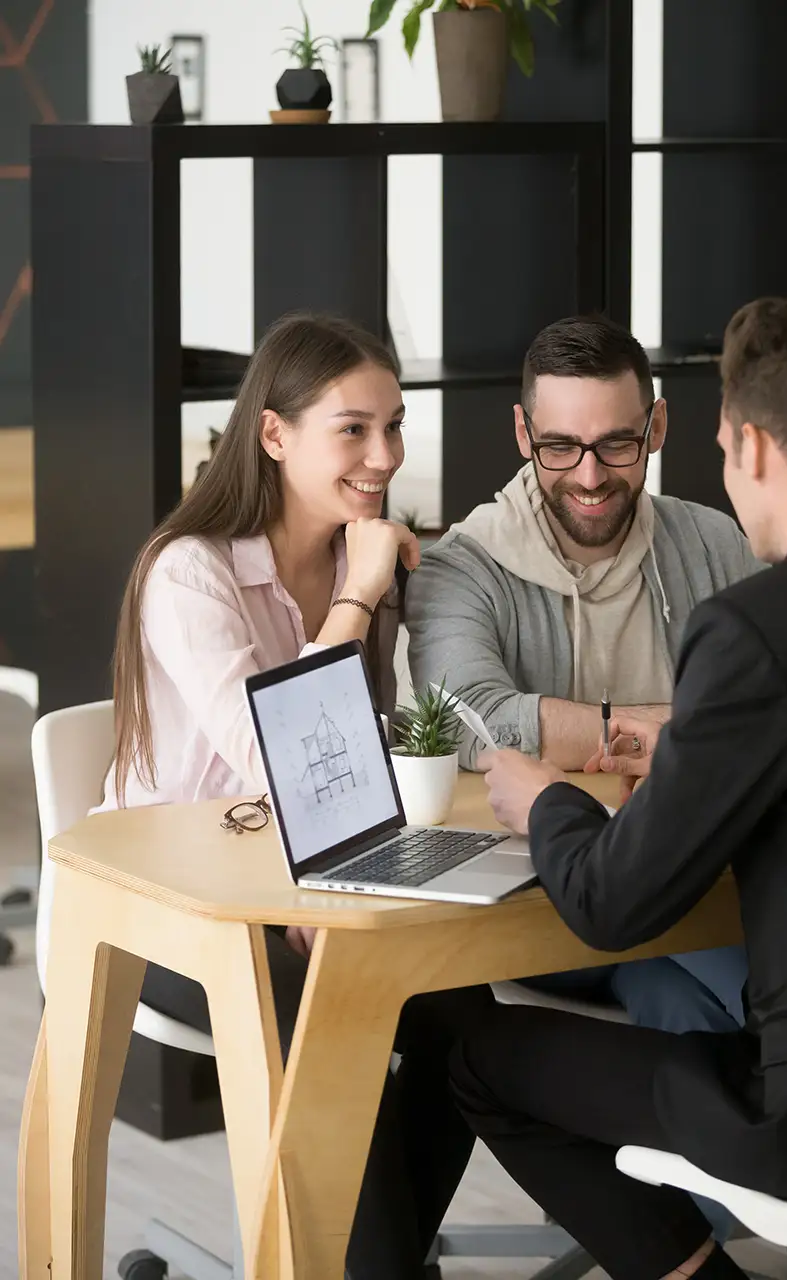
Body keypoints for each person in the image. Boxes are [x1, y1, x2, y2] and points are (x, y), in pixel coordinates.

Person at [452, 293, 787, 1280]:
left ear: (754, 446)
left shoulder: (761, 627)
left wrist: (542, 795)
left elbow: (611, 900)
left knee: (478, 1060)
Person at [102, 312, 494, 1280]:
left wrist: (340, 888)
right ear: (274, 434)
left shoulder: (362, 556)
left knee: (474, 1022)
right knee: (335, 1025)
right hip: (171, 904)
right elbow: (283, 756)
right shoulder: (189, 571)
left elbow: (371, 761)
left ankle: (370, 1260)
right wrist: (358, 598)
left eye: (394, 426)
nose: (384, 454)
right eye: (353, 428)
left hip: (307, 884)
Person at [405, 314, 752, 1096]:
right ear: (524, 433)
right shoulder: (462, 565)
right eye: (561, 446)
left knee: (675, 996)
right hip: (544, 901)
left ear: (656, 426)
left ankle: (716, 1212)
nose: (590, 476)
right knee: (755, 985)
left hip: (693, 883)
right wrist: (668, 729)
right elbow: (472, 716)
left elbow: (776, 706)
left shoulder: (714, 544)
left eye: (617, 444)